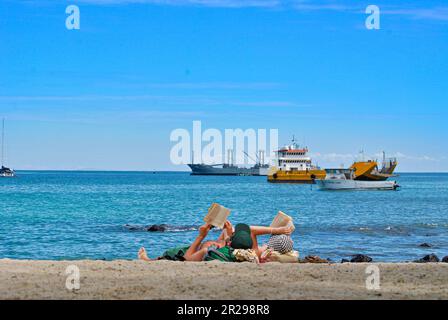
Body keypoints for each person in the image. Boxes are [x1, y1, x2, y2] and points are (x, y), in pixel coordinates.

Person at [138, 220, 294, 262]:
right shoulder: (253, 252)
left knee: (172, 254)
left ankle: (149, 260)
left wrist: (277, 230)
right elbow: (246, 233)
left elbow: (251, 229)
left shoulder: (255, 250)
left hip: (197, 250)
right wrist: (226, 231)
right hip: (215, 246)